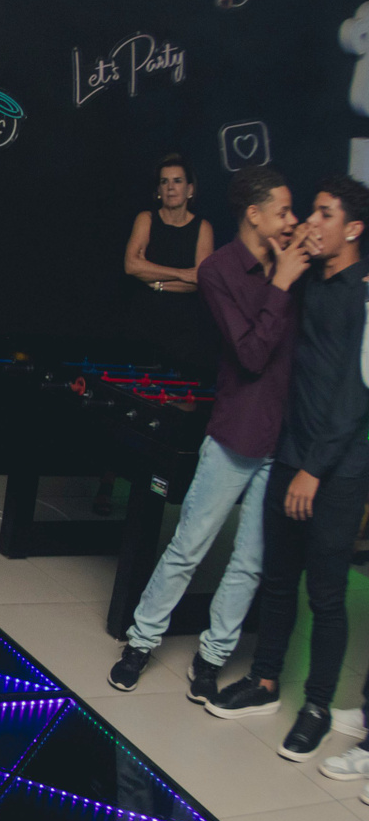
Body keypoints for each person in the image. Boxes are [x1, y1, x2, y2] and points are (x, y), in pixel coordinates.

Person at [108, 167, 304, 698]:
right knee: (189, 546)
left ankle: (212, 657)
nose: (293, 220)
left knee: (251, 561)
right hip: (236, 433)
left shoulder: (297, 266)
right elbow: (252, 354)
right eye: (284, 211)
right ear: (255, 214)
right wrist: (282, 283)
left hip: (284, 440)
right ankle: (141, 642)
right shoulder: (219, 270)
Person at [209, 176, 369, 762]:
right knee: (277, 580)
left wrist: (314, 471)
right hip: (291, 454)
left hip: (336, 470)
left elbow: (355, 396)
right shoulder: (306, 283)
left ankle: (317, 708)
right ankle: (265, 682)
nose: (309, 222)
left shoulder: (363, 295)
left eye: (324, 214)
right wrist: (287, 259)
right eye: (310, 212)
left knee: (325, 594)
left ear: (353, 229)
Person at [123, 154, 216, 376]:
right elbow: (131, 266)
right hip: (143, 326)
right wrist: (182, 274)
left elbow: (200, 280)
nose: (170, 188)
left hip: (185, 333)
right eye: (164, 182)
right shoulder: (146, 219)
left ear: (190, 189)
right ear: (158, 190)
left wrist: (155, 281)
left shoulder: (203, 227)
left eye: (177, 181)